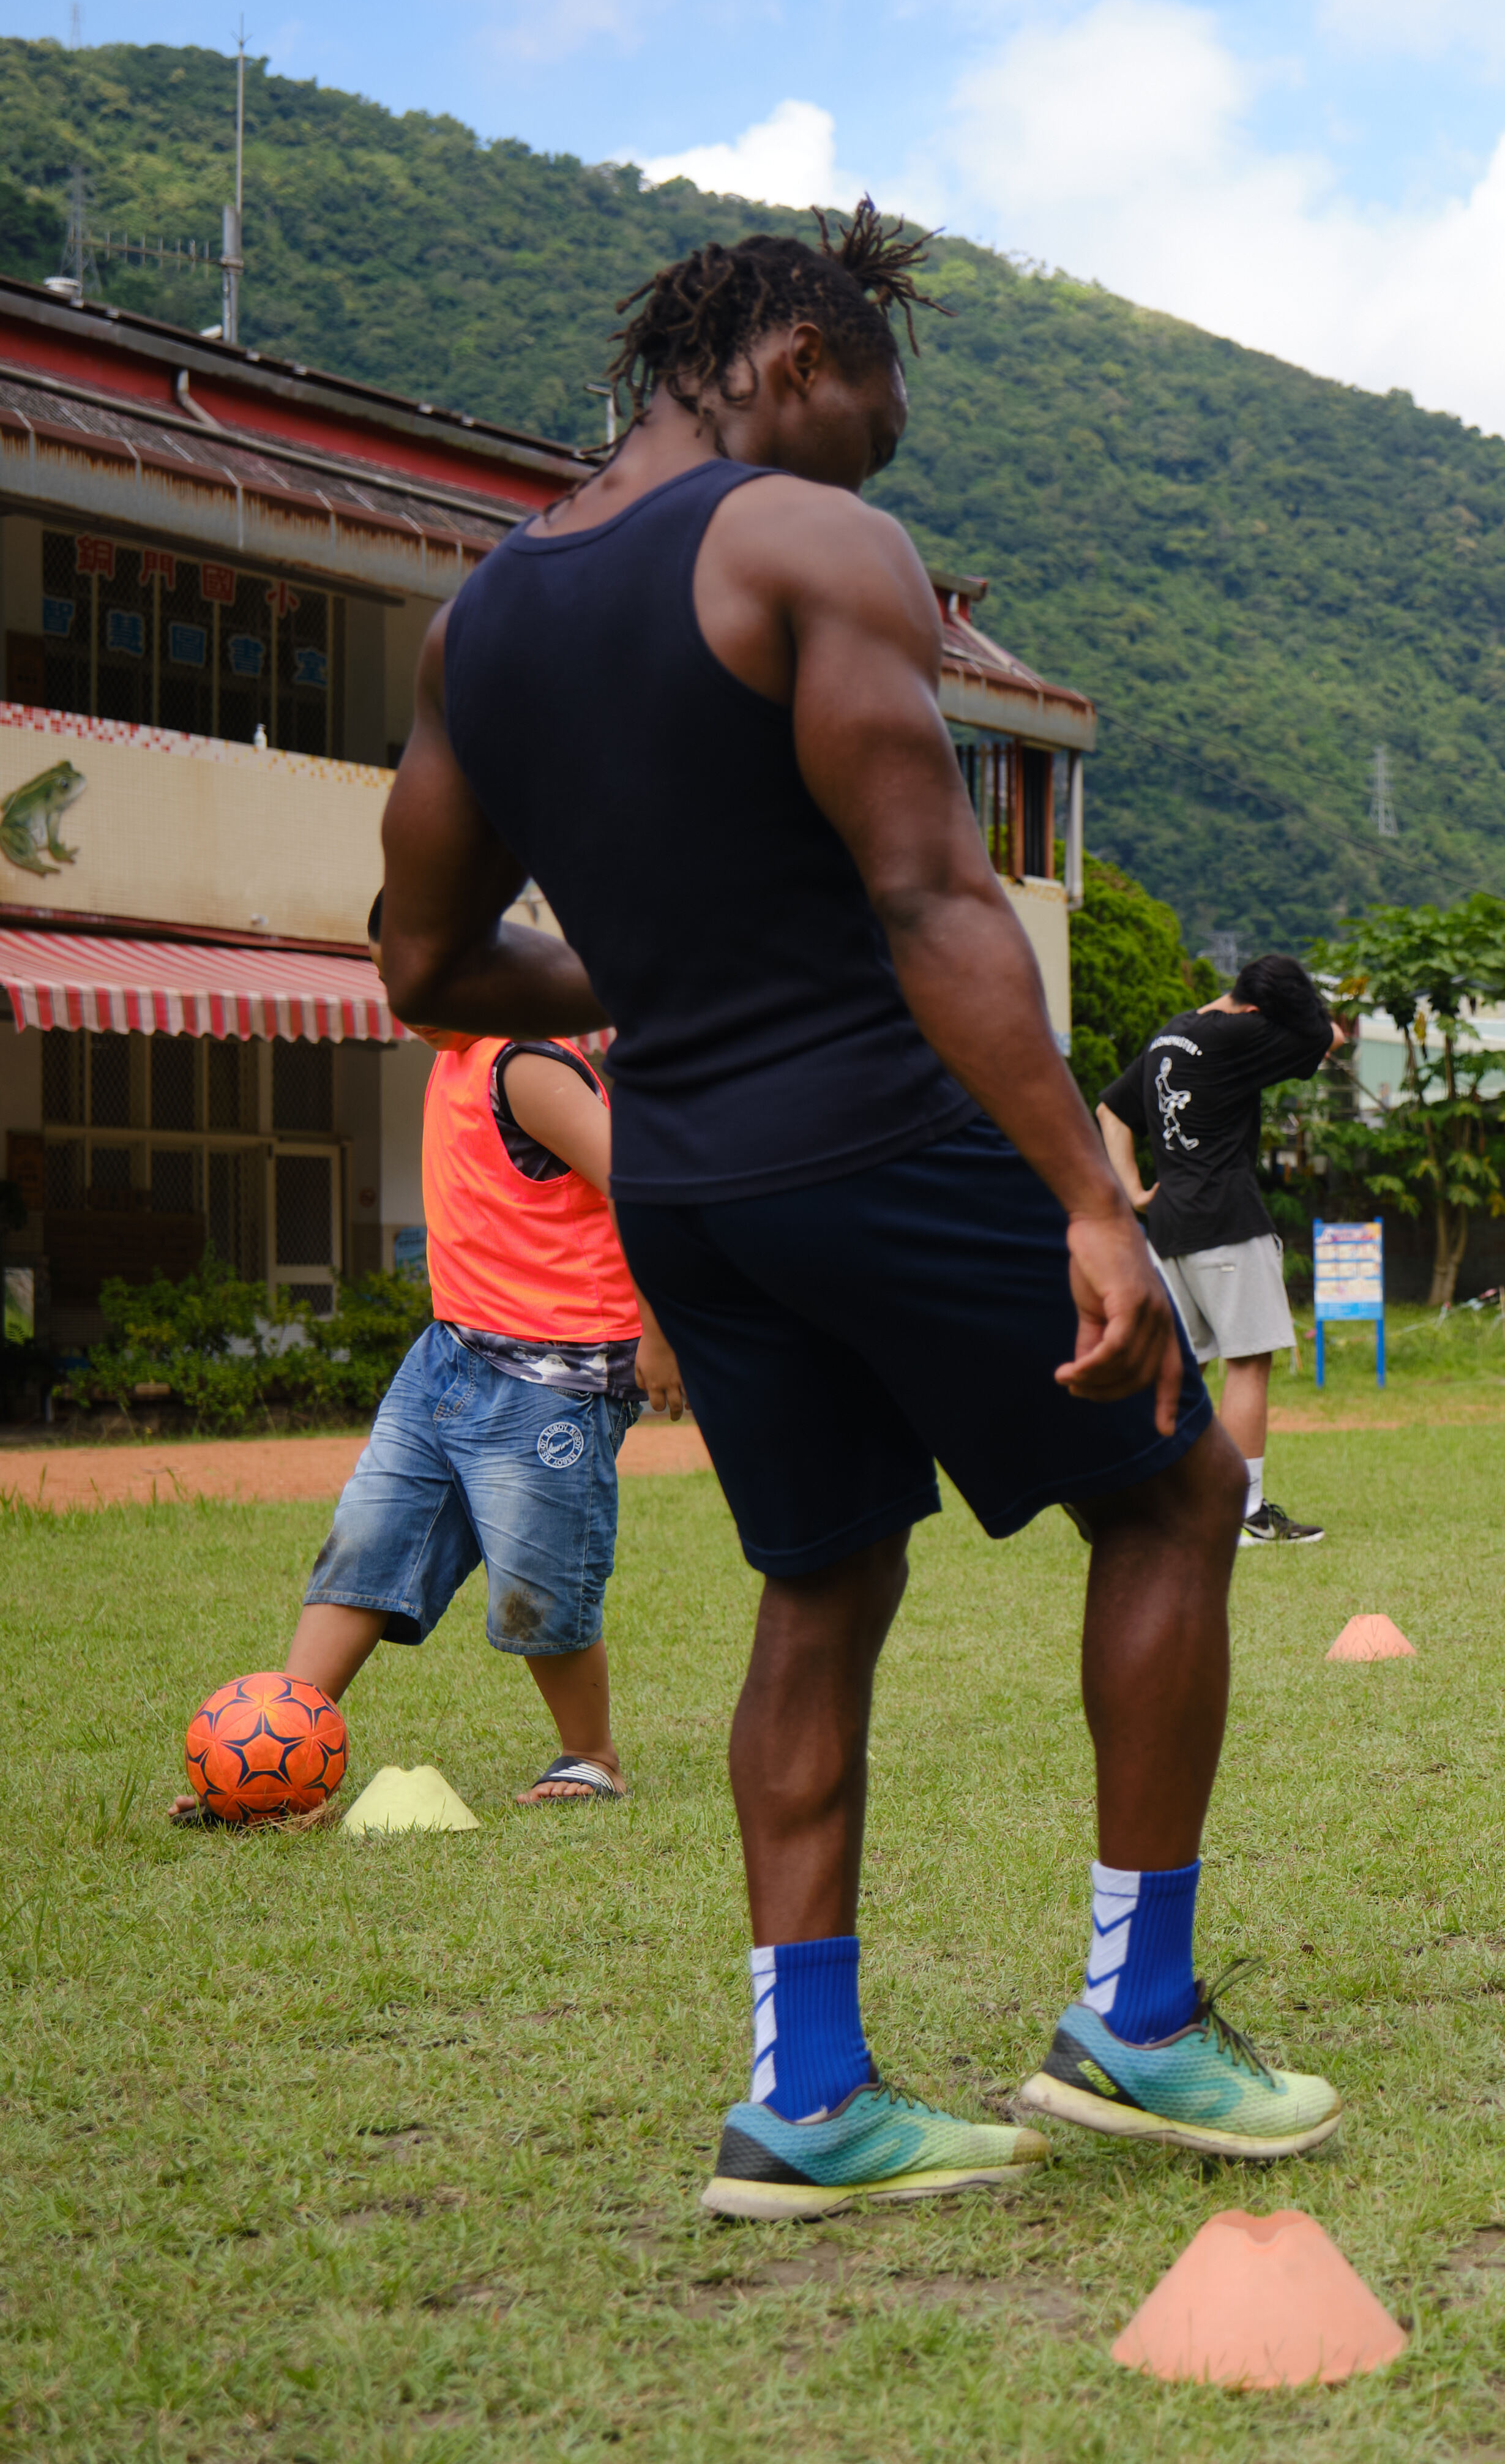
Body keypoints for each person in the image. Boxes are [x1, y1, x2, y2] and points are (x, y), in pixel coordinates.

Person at [375, 208, 1340, 2222]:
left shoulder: (483, 620)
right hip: (884, 1133)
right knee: (1168, 1492)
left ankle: (807, 2096)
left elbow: (425, 962)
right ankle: (1137, 2025)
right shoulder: (802, 544)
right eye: (869, 427)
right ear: (802, 355)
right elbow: (928, 895)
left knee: (820, 1580)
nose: (872, 476)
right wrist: (1090, 1196)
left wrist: (655, 982)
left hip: (699, 1180)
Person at [173, 904, 686, 1824]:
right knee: (367, 1544)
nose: (401, 999)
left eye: (417, 974)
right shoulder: (452, 1057)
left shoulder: (524, 1062)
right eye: (387, 979)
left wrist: (659, 1335)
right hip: (446, 1358)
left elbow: (642, 1185)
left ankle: (590, 1756)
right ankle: (272, 1763)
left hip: (556, 1378)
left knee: (539, 1579)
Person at [1096, 952, 1349, 1546]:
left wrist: (1133, 1191)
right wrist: (1300, 1012)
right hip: (1225, 1220)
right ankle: (1243, 1511)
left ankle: (1154, 1502)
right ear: (1261, 1010)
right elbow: (1327, 1036)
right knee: (1249, 1359)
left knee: (1179, 1368)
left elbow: (1110, 1109)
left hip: (1169, 1228)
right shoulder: (1244, 1034)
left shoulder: (1170, 1036)